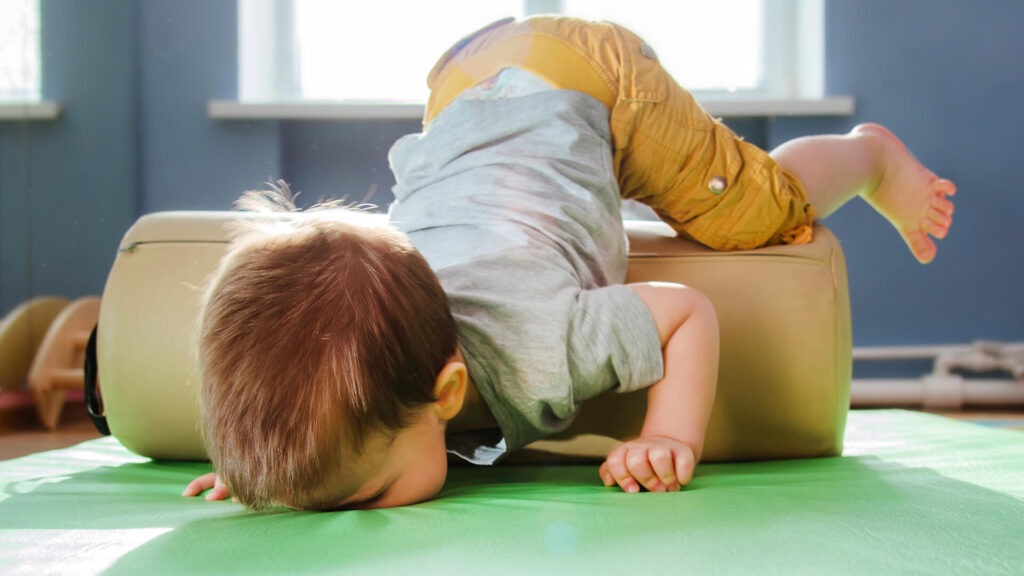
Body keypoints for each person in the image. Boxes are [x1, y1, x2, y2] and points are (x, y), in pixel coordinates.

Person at [183, 16, 955, 510]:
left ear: (447, 390)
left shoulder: (540, 345)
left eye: (361, 496)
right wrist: (281, 472)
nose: (342, 513)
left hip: (593, 81)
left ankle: (870, 158)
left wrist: (671, 435)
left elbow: (687, 312)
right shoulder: (387, 317)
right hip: (461, 87)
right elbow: (305, 368)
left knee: (757, 212)